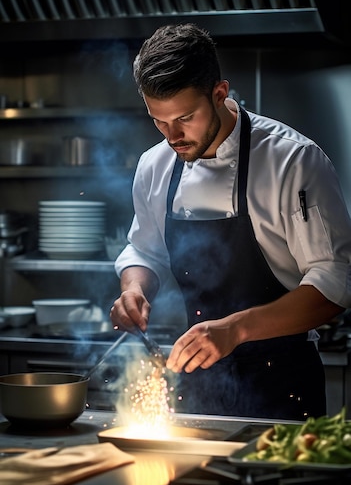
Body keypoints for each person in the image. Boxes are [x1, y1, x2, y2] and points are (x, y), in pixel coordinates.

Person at [110, 22, 351, 420]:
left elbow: (334, 283)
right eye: (159, 120)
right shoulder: (154, 166)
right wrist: (134, 288)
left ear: (219, 93)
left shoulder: (292, 160)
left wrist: (234, 329)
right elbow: (143, 250)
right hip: (196, 381)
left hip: (282, 383)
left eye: (186, 117)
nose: (173, 136)